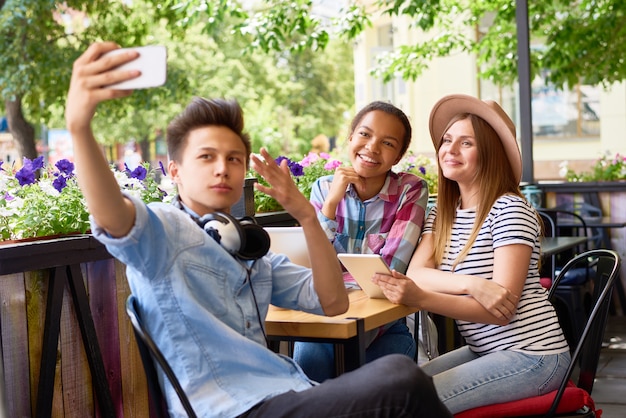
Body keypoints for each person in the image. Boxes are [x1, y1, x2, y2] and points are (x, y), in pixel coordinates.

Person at [65, 42, 452, 418]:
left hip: (284, 390)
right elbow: (113, 215)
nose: (223, 168)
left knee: (398, 377)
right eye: (207, 157)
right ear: (175, 171)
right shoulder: (165, 231)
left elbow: (333, 303)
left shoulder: (249, 252)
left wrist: (307, 216)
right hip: (234, 407)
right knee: (401, 380)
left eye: (234, 159)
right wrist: (80, 127)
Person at [372, 94, 571, 414]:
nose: (449, 150)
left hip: (534, 356)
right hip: (485, 351)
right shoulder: (442, 213)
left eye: (466, 143)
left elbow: (500, 312)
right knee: (398, 389)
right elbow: (417, 274)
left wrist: (421, 297)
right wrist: (473, 285)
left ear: (490, 154)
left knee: (409, 404)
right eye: (447, 140)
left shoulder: (509, 209)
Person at [293, 101, 429, 382]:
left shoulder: (410, 190)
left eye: (387, 143)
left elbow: (390, 273)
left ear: (398, 156)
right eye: (365, 135)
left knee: (378, 385)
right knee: (309, 367)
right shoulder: (323, 188)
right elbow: (307, 266)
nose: (372, 147)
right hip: (325, 323)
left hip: (384, 326)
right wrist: (331, 204)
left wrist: (333, 282)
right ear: (350, 137)